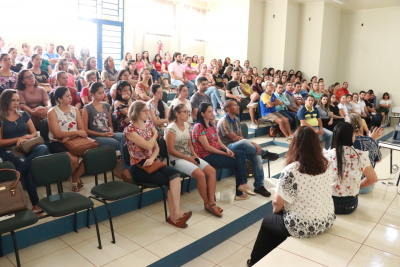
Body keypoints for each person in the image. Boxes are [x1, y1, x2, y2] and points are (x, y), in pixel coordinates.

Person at [248, 126, 335, 266]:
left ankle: (255, 261)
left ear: (295, 144)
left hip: (305, 225)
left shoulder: (292, 169)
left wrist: (277, 213)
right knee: (278, 222)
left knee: (269, 221)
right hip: (327, 219)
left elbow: (277, 202)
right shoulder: (326, 163)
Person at [124, 101, 192, 228]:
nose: (147, 113)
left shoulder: (148, 126)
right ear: (137, 112)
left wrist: (152, 158)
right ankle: (175, 215)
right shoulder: (129, 130)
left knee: (175, 174)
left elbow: (156, 149)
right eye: (144, 111)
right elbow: (148, 145)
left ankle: (175, 214)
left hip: (152, 162)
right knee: (170, 180)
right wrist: (155, 133)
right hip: (139, 168)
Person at [165, 104, 222, 216]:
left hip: (189, 157)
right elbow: (170, 150)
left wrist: (195, 155)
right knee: (200, 175)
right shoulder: (171, 128)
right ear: (177, 114)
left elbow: (190, 144)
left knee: (211, 171)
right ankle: (207, 204)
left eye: (188, 111)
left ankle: (212, 202)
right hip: (176, 159)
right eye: (185, 112)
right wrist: (188, 158)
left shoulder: (187, 125)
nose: (188, 114)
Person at [217, 100, 279, 197]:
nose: (238, 107)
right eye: (235, 105)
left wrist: (255, 145)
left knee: (257, 157)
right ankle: (264, 153)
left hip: (239, 145)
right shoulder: (223, 121)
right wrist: (253, 144)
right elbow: (235, 139)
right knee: (247, 144)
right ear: (227, 109)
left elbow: (241, 137)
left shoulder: (236, 119)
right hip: (227, 148)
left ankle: (259, 186)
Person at [0, 89, 48, 213]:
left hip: (27, 146)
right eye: (12, 100)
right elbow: (0, 142)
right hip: (10, 149)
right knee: (28, 168)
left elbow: (33, 133)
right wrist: (19, 138)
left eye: (17, 100)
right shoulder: (0, 117)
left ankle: (18, 173)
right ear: (5, 101)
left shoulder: (24, 114)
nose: (16, 103)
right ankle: (35, 205)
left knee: (43, 147)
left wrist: (26, 137)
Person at [192, 102, 253, 200]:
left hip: (216, 151)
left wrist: (227, 149)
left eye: (212, 111)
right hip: (206, 155)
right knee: (238, 162)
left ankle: (242, 185)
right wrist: (224, 153)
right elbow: (207, 148)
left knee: (241, 154)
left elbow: (219, 142)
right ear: (202, 113)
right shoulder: (198, 127)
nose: (212, 113)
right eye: (209, 111)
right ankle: (240, 189)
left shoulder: (211, 125)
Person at [324, 122, 378, 214]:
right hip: (350, 205)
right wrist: (356, 185)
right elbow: (373, 179)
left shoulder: (325, 155)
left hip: (328, 204)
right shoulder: (361, 155)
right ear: (351, 137)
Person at [82, 82, 131, 180]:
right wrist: (104, 135)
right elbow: (86, 130)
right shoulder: (87, 108)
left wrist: (111, 131)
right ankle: (126, 169)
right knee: (118, 144)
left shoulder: (106, 106)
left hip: (107, 133)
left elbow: (110, 125)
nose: (102, 95)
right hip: (96, 135)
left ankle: (127, 168)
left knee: (125, 136)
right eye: (99, 93)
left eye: (103, 92)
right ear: (92, 94)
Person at [48, 87, 87, 192]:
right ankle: (73, 178)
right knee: (74, 159)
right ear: (60, 99)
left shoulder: (75, 110)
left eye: (70, 95)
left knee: (90, 155)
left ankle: (74, 177)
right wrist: (76, 133)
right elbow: (56, 134)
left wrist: (70, 136)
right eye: (67, 96)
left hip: (72, 139)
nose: (71, 97)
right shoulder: (52, 112)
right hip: (57, 142)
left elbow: (82, 129)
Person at [348, 114, 383, 194]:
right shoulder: (370, 141)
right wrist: (373, 141)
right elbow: (379, 159)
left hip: (344, 185)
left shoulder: (342, 141)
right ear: (361, 126)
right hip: (365, 186)